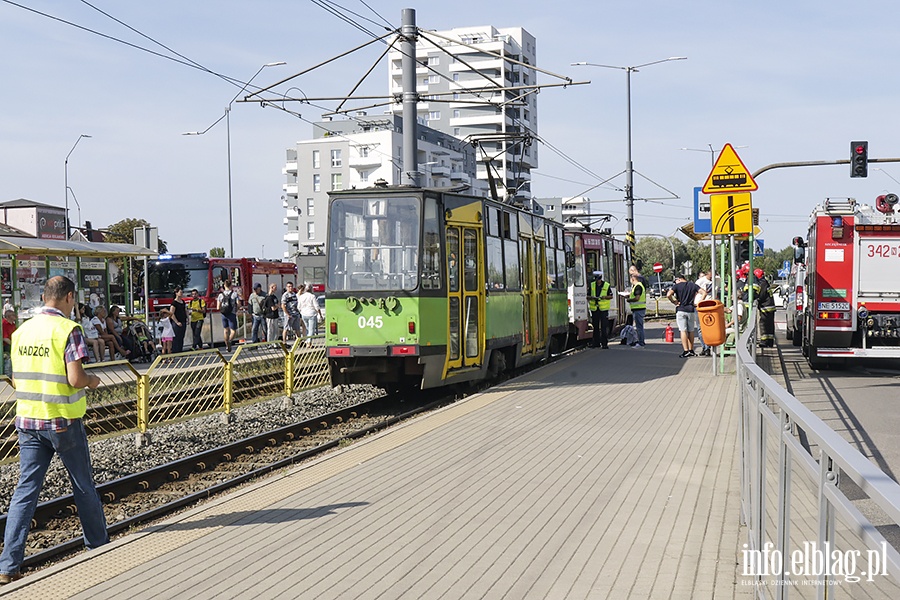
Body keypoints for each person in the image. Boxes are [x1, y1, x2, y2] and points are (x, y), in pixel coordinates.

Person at [0, 276, 108, 585]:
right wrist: (92, 381)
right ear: (69, 298)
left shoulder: (21, 332)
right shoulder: (67, 331)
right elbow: (75, 378)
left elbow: (19, 377)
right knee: (83, 484)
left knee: (25, 490)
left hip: (28, 422)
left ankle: (9, 565)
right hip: (62, 421)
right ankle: (98, 547)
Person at [667, 274, 705, 358]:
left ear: (679, 279)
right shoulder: (692, 285)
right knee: (691, 330)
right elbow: (704, 292)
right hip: (691, 310)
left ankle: (686, 350)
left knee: (683, 330)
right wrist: (699, 303)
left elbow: (668, 294)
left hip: (681, 310)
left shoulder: (677, 286)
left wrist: (674, 302)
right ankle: (691, 350)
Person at [588, 271, 612, 349]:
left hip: (603, 309)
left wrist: (604, 297)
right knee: (595, 326)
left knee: (604, 327)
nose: (597, 281)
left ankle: (604, 344)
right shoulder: (592, 285)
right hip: (595, 308)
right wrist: (591, 297)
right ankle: (596, 343)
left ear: (601, 278)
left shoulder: (606, 285)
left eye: (598, 279)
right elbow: (588, 296)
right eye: (596, 279)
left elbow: (610, 296)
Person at [753, 268, 776, 347]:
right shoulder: (765, 282)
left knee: (763, 323)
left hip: (766, 307)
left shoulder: (762, 283)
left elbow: (761, 295)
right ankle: (770, 341)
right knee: (769, 324)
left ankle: (764, 341)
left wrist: (755, 297)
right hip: (770, 306)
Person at [694, 271, 713, 356]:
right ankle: (705, 347)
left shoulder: (717, 280)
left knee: (708, 327)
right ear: (708, 274)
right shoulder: (700, 281)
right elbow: (694, 292)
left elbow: (725, 287)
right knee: (700, 328)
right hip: (699, 306)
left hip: (710, 306)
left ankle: (707, 347)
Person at [217, 280, 240, 352]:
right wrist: (236, 309)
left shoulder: (220, 295)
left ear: (224, 285)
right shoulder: (234, 294)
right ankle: (230, 341)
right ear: (231, 285)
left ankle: (227, 345)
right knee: (233, 331)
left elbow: (218, 307)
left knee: (225, 330)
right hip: (232, 314)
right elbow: (238, 304)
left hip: (224, 314)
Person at [627, 272, 646, 347]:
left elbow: (637, 298)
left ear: (633, 278)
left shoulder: (638, 286)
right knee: (639, 326)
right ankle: (640, 341)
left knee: (639, 327)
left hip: (639, 309)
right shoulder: (636, 286)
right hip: (637, 309)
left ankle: (641, 342)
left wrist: (629, 300)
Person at [170, 287, 187, 353]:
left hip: (183, 320)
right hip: (177, 322)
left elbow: (185, 310)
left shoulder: (183, 302)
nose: (181, 293)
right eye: (180, 292)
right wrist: (176, 322)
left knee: (181, 336)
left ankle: (180, 350)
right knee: (176, 336)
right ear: (176, 293)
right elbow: (171, 313)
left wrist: (187, 317)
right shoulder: (174, 303)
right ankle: (175, 350)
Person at [2, 309, 17, 375]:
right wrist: (14, 345)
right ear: (9, 316)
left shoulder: (13, 324)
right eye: (13, 315)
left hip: (12, 343)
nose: (15, 317)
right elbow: (5, 338)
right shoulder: (4, 324)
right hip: (6, 345)